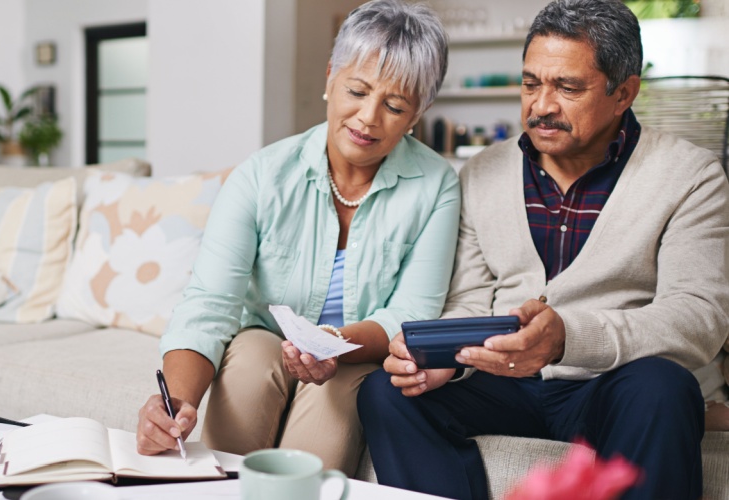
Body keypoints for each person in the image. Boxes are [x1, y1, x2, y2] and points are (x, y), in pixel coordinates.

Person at [357, 0, 729, 498]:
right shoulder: (482, 172)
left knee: (662, 388)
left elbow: (697, 318)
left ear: (624, 94)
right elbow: (469, 299)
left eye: (568, 87)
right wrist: (446, 355)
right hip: (502, 381)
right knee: (386, 393)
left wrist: (567, 338)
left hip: (611, 385)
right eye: (531, 83)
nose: (541, 105)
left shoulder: (691, 175)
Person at [135, 0, 459, 476]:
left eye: (394, 106)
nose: (368, 117)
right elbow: (210, 302)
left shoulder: (436, 185)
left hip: (354, 354)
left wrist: (331, 343)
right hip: (262, 342)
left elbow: (410, 313)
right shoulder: (261, 175)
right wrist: (175, 403)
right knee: (248, 366)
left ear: (419, 113)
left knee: (319, 439)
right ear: (330, 77)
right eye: (357, 90)